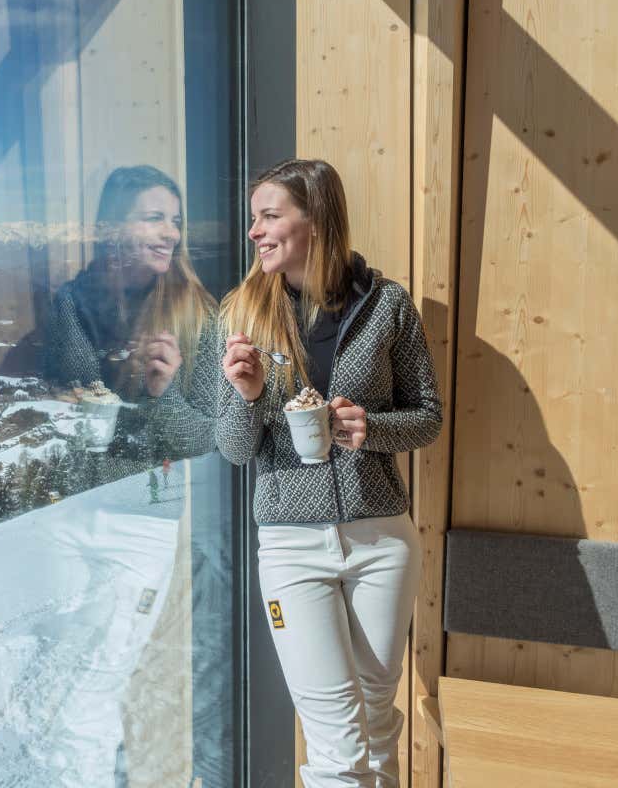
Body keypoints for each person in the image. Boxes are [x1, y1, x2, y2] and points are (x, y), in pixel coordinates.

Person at [217, 158, 442, 787]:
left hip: (382, 540)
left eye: (269, 216)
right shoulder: (243, 315)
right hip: (291, 549)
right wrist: (249, 394)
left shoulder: (387, 306)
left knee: (376, 717)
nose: (255, 232)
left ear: (315, 219)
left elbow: (428, 417)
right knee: (338, 737)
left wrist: (373, 428)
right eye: (253, 219)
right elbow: (235, 450)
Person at [43, 165, 219, 466]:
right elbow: (60, 420)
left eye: (175, 222)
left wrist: (163, 393)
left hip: (156, 499)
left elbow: (212, 444)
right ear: (113, 228)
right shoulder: (71, 304)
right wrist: (58, 409)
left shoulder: (197, 314)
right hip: (82, 497)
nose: (171, 234)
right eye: (154, 219)